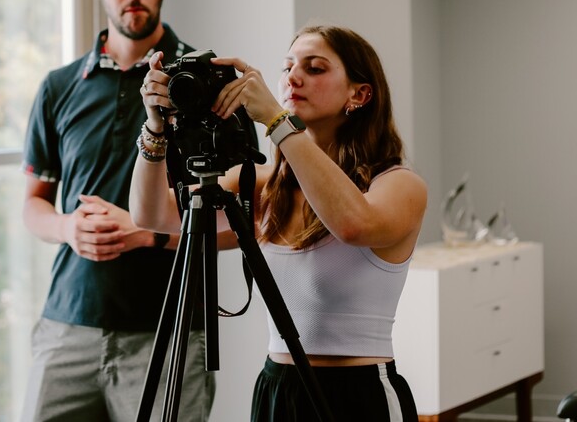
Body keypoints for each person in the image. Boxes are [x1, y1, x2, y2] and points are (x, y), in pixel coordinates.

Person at [131, 25, 427, 422]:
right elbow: (151, 215)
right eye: (287, 67)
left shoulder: (399, 185)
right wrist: (155, 127)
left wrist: (276, 118)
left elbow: (352, 225)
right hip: (277, 388)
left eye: (315, 68)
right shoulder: (265, 185)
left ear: (359, 94)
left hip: (358, 393)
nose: (293, 77)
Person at [19, 0, 214, 421]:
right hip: (67, 326)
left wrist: (147, 232)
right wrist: (66, 227)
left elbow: (239, 222)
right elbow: (33, 206)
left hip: (166, 332)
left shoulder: (204, 85)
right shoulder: (59, 87)